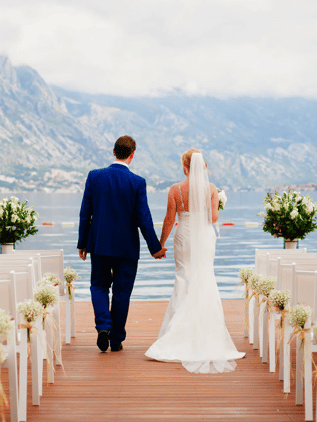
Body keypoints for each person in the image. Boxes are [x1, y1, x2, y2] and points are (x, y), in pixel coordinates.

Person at [144, 149, 244, 373]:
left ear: (184, 166)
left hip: (184, 235)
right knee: (205, 277)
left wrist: (160, 244)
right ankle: (205, 332)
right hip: (204, 236)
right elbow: (214, 218)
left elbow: (169, 219)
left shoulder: (175, 189)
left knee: (183, 277)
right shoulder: (211, 189)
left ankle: (177, 332)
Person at [78, 135, 167, 353]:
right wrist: (155, 248)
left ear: (113, 151)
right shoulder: (137, 182)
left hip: (99, 244)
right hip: (127, 248)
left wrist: (82, 242)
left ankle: (103, 327)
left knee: (98, 286)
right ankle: (116, 339)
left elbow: (85, 213)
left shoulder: (94, 177)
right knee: (122, 293)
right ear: (132, 155)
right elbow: (143, 219)